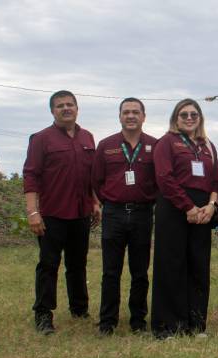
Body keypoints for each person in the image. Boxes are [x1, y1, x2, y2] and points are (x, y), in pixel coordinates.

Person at [23, 90, 100, 335]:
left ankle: (79, 309)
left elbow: (93, 177)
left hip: (81, 212)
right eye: (60, 106)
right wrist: (33, 212)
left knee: (77, 264)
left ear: (77, 108)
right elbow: (31, 176)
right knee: (48, 264)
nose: (65, 108)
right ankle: (43, 314)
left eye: (70, 104)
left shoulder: (88, 137)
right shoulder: (41, 139)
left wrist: (95, 203)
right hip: (52, 213)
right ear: (52, 111)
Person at [152, 98, 218, 339]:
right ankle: (167, 326)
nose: (189, 118)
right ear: (175, 118)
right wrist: (188, 207)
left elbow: (216, 181)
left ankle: (195, 325)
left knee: (198, 266)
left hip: (203, 212)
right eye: (184, 114)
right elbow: (164, 178)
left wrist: (211, 206)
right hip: (174, 209)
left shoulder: (207, 145)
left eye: (194, 114)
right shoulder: (166, 143)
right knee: (171, 265)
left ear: (200, 118)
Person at [92, 97, 158, 335]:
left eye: (136, 112)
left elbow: (160, 181)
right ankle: (107, 321)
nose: (131, 116)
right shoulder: (106, 145)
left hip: (142, 214)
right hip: (114, 214)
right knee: (111, 271)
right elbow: (97, 180)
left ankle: (138, 321)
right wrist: (110, 200)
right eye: (126, 112)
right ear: (119, 116)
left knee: (140, 272)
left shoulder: (155, 145)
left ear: (143, 116)